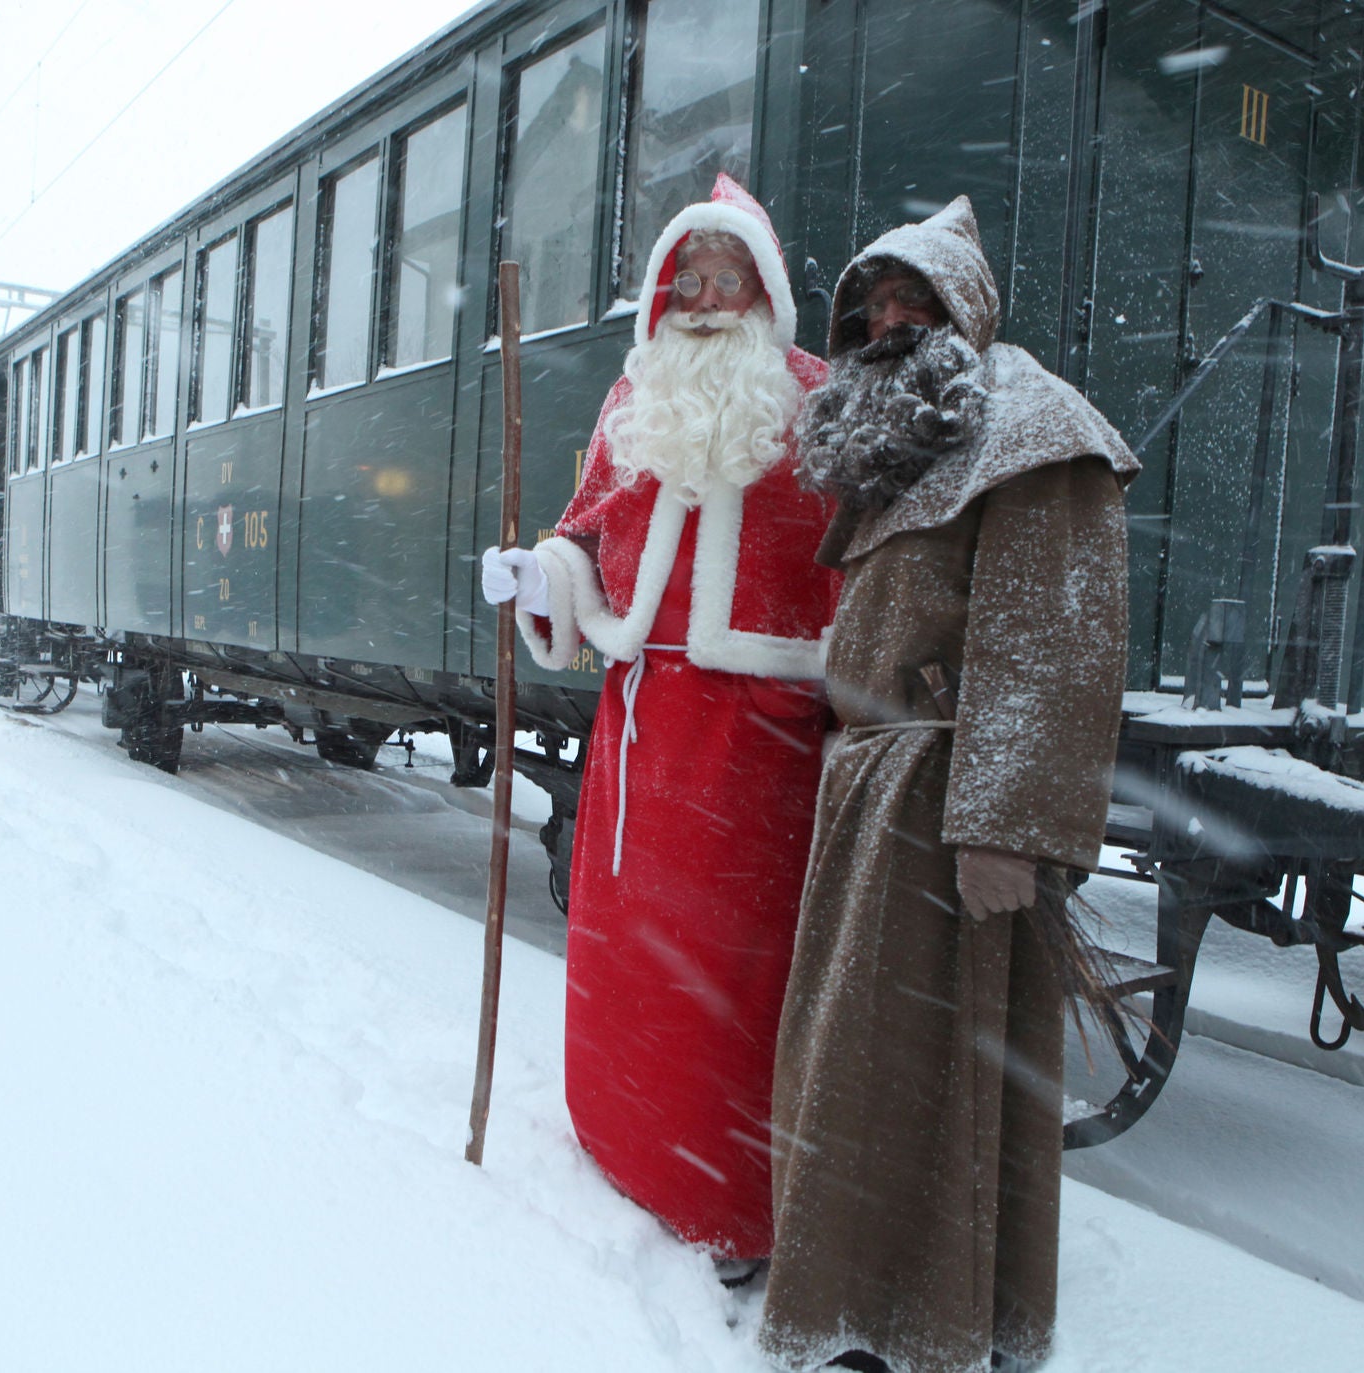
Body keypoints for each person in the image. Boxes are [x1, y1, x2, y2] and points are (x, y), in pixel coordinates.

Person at [758, 197, 1139, 1373]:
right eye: (869, 304)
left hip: (944, 806)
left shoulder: (1034, 428)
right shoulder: (910, 451)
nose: (884, 321)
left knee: (923, 1080)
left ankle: (919, 1325)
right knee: (862, 1075)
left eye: (908, 301)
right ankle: (854, 1307)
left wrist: (1001, 826)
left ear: (962, 309)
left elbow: (1052, 642)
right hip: (877, 799)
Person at [480, 174, 836, 1265]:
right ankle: (631, 1151)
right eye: (691, 278)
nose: (708, 296)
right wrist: (533, 573)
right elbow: (586, 535)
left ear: (763, 287)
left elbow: (857, 553)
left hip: (769, 739)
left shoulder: (813, 398)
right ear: (664, 290)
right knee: (638, 954)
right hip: (647, 727)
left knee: (739, 969)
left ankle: (737, 1196)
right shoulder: (635, 401)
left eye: (728, 276)